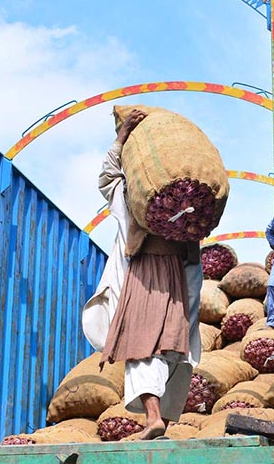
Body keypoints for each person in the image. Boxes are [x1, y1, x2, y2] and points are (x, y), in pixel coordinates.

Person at [98, 109, 203, 440]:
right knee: (174, 348)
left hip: (147, 274)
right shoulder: (179, 206)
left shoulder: (134, 198)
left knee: (143, 344)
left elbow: (107, 179)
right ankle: (162, 422)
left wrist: (119, 139)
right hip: (180, 275)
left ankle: (154, 419)